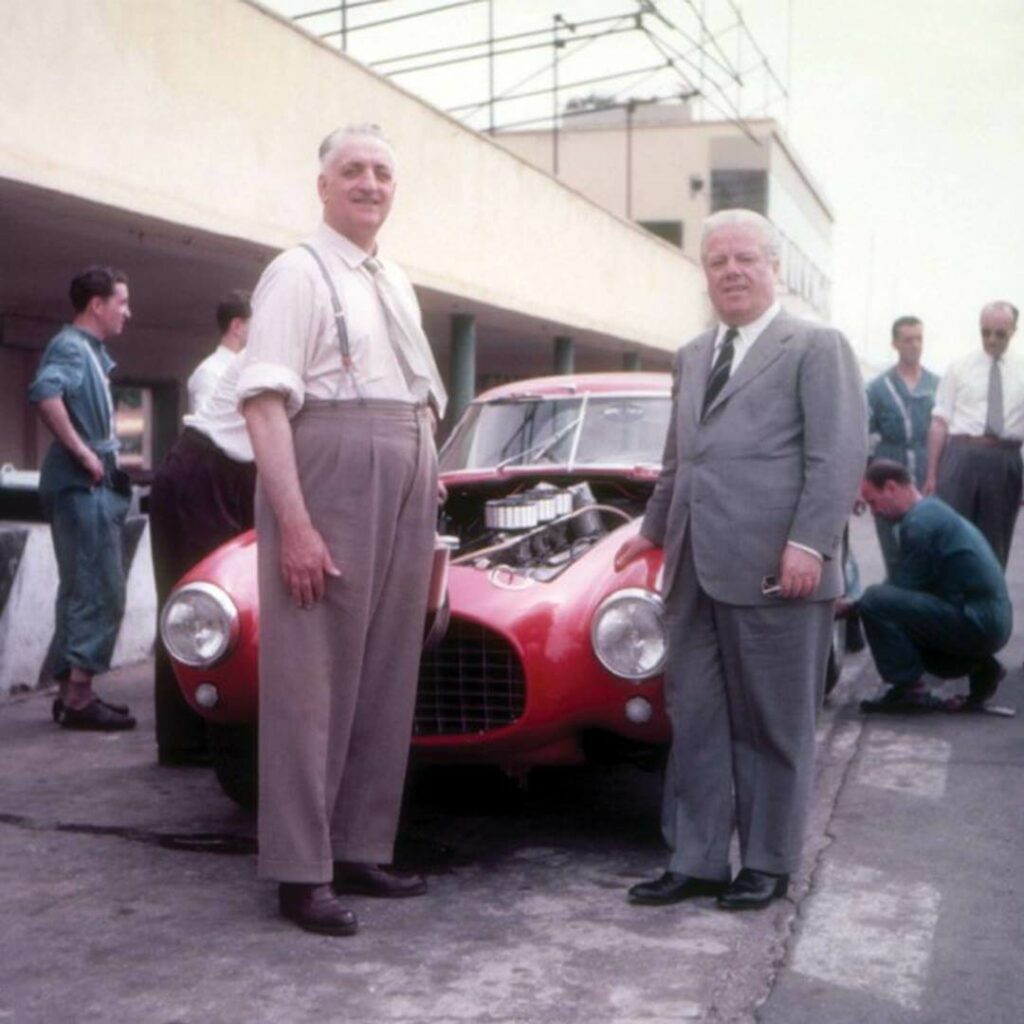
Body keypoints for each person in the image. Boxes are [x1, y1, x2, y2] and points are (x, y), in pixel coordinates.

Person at [616, 208, 866, 911]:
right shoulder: (694, 353)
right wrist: (653, 528)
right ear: (705, 272)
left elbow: (836, 455)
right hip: (695, 564)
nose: (731, 270)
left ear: (773, 267)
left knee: (773, 721)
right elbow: (680, 458)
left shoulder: (816, 346)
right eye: (718, 260)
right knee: (693, 712)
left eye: (745, 258)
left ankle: (767, 861)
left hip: (778, 567)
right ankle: (695, 859)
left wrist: (808, 544)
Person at [237, 124, 447, 936]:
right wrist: (295, 524)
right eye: (352, 170)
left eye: (383, 172)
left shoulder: (392, 278)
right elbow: (263, 404)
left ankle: (361, 845)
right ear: (322, 186)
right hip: (332, 461)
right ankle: (300, 870)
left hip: (404, 457)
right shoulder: (296, 272)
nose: (369, 183)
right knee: (311, 678)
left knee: (387, 670)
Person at [28, 266, 136, 731]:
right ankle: (78, 699)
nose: (127, 313)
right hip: (82, 484)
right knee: (100, 588)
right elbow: (46, 395)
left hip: (88, 483)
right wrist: (84, 454)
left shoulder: (88, 350)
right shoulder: (72, 347)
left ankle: (74, 693)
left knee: (82, 586)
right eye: (122, 303)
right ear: (97, 304)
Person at [148, 291, 254, 765]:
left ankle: (193, 736)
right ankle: (191, 738)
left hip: (213, 472)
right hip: (206, 475)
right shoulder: (266, 355)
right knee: (201, 608)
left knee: (199, 607)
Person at [858, 460, 1011, 713]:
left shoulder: (919, 524)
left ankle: (910, 691)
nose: (874, 512)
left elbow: (902, 591)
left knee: (873, 602)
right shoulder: (932, 510)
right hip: (989, 621)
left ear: (891, 487)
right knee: (889, 608)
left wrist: (852, 607)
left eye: (873, 501)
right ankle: (980, 666)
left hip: (978, 622)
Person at [924, 301, 1023, 568]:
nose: (991, 339)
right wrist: (932, 475)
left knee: (995, 543)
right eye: (985, 332)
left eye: (999, 334)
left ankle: (988, 605)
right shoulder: (960, 367)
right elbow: (939, 422)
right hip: (961, 456)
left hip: (1005, 459)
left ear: (1014, 330)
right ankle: (948, 606)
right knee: (952, 535)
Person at [866, 316, 939, 576]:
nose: (915, 345)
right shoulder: (877, 387)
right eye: (908, 339)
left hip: (924, 470)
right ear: (895, 343)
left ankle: (922, 609)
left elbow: (944, 431)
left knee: (926, 545)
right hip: (889, 469)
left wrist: (935, 474)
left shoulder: (936, 384)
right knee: (893, 548)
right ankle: (897, 605)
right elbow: (865, 436)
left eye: (919, 339)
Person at [186, 290, 251, 414]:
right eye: (256, 324)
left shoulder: (249, 370)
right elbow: (207, 429)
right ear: (237, 326)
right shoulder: (210, 373)